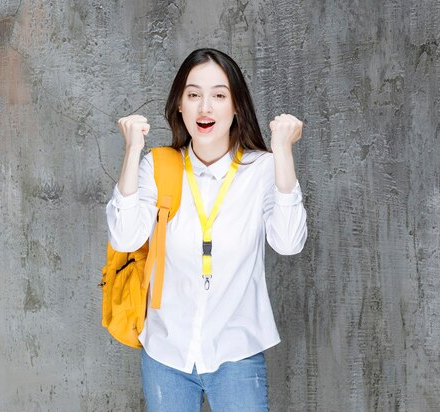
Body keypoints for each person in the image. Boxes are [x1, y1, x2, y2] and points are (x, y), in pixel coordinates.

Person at [106, 48, 307, 412]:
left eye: (218, 95)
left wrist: (283, 152)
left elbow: (289, 242)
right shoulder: (159, 166)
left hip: (236, 355)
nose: (205, 108)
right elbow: (125, 237)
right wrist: (132, 151)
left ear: (236, 107)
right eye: (194, 94)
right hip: (166, 356)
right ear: (179, 105)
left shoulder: (263, 170)